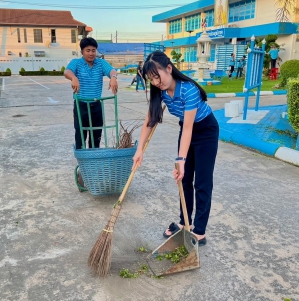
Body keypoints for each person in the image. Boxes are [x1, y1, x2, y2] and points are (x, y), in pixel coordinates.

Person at [133, 51, 219, 246]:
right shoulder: (160, 92)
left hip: (205, 130)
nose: (156, 82)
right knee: (184, 179)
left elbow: (189, 127)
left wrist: (181, 159)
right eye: (151, 79)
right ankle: (184, 222)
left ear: (169, 69)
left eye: (158, 76)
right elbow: (149, 121)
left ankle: (199, 231)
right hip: (187, 130)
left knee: (202, 182)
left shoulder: (189, 90)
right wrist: (139, 150)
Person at [64, 37, 118, 150]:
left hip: (96, 105)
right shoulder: (76, 63)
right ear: (82, 52)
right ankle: (83, 163)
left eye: (93, 50)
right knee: (80, 136)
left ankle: (93, 164)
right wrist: (73, 77)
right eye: (88, 50)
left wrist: (113, 77)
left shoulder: (100, 63)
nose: (91, 53)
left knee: (96, 136)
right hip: (81, 106)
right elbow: (67, 71)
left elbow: (111, 70)